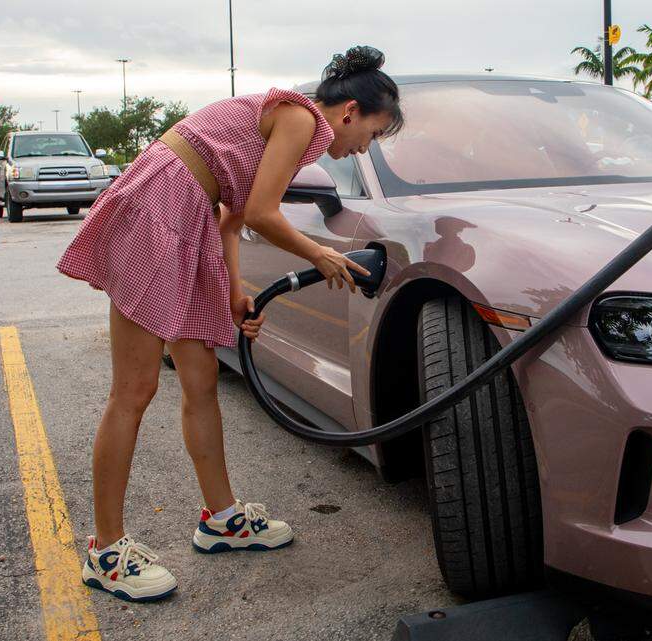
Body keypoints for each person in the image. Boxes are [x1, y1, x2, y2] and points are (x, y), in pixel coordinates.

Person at [56, 45, 403, 602]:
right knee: (134, 389)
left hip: (187, 216)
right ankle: (105, 549)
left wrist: (233, 292)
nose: (363, 147)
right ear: (350, 112)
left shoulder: (295, 132)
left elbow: (231, 219)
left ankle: (220, 519)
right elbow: (265, 216)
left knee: (200, 380)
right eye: (372, 133)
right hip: (159, 209)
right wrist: (320, 254)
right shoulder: (299, 117)